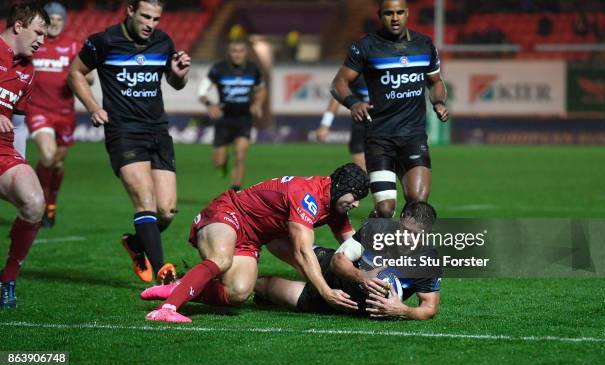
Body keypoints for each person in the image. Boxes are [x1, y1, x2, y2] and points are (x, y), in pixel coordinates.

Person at [142, 163, 370, 323]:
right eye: (355, 197)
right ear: (340, 188)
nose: (357, 204)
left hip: (253, 239)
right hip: (229, 212)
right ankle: (167, 308)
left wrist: (376, 268)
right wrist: (326, 292)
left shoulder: (334, 204)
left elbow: (350, 243)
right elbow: (302, 251)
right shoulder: (307, 196)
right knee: (221, 260)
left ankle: (181, 286)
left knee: (238, 293)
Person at [68, 0, 191, 283]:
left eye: (156, 19)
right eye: (146, 16)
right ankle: (165, 275)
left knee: (167, 211)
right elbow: (75, 73)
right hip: (123, 131)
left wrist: (180, 75)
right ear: (130, 11)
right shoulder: (104, 41)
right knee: (144, 201)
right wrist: (92, 106)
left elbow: (174, 82)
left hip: (158, 131)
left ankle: (137, 243)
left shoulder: (163, 42)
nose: (151, 24)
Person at [331, 0, 449, 218]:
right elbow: (338, 83)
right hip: (380, 138)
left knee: (418, 201)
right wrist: (353, 103)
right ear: (380, 15)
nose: (395, 18)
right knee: (386, 210)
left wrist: (439, 102)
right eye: (389, 13)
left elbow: (435, 82)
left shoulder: (424, 45)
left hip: (413, 136)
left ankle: (403, 250)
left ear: (407, 13)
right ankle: (366, 238)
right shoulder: (365, 47)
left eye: (399, 12)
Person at [255, 201, 441, 320]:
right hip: (334, 272)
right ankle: (253, 235)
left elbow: (429, 307)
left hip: (346, 304)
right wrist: (361, 277)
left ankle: (252, 286)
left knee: (266, 288)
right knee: (285, 245)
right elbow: (338, 261)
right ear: (401, 220)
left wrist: (402, 310)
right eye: (406, 230)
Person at [0, 3, 49, 308]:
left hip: (3, 151)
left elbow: (18, 124)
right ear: (19, 26)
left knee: (34, 202)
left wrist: (21, 163)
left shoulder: (28, 72)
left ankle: (7, 279)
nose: (42, 40)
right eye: (39, 32)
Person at [26, 2, 89, 228]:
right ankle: (37, 201)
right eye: (50, 18)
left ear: (64, 21)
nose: (54, 22)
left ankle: (51, 202)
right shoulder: (34, 43)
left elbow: (88, 76)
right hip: (37, 110)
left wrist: (85, 76)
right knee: (49, 154)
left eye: (59, 19)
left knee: (58, 163)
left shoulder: (73, 47)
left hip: (64, 113)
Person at [198, 40, 266, 191]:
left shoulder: (253, 69)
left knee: (240, 154)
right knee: (219, 161)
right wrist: (210, 104)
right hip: (224, 119)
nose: (237, 54)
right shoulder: (218, 69)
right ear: (229, 53)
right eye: (234, 51)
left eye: (240, 51)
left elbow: (261, 90)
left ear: (245, 52)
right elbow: (202, 91)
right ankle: (222, 164)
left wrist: (257, 104)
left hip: (244, 118)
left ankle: (235, 190)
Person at [316, 74, 369, 170]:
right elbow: (337, 98)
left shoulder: (387, 69)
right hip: (361, 126)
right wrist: (325, 125)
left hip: (385, 124)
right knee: (362, 170)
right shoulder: (355, 74)